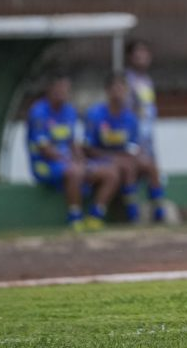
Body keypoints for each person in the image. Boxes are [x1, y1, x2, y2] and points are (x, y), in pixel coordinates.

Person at [26, 73, 118, 230]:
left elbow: (72, 142)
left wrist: (81, 159)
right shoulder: (38, 112)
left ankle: (96, 216)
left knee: (110, 172)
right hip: (45, 165)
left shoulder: (69, 111)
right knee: (75, 171)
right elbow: (45, 149)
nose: (63, 92)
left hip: (70, 163)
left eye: (66, 89)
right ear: (50, 89)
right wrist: (72, 162)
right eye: (59, 88)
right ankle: (74, 217)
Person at [84, 73, 167, 223]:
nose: (118, 93)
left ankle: (159, 211)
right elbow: (88, 148)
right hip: (101, 159)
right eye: (115, 89)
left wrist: (133, 154)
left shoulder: (130, 117)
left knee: (150, 164)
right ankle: (131, 214)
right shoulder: (95, 114)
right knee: (126, 167)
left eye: (122, 89)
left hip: (125, 158)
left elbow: (134, 145)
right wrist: (112, 157)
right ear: (107, 91)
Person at [124, 40, 158, 162]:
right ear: (130, 56)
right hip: (133, 136)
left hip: (147, 136)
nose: (143, 56)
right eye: (139, 51)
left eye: (145, 51)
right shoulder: (126, 80)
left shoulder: (147, 80)